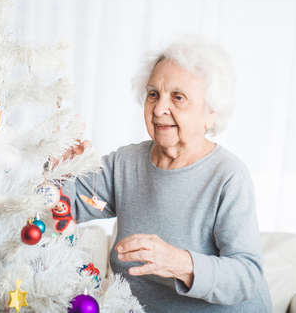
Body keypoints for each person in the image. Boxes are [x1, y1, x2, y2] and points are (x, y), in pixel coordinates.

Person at [61, 37, 272, 312]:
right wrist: (58, 170)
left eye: (178, 97)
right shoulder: (125, 164)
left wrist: (179, 262)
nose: (159, 109)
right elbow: (65, 205)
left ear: (210, 112)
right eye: (153, 94)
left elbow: (246, 276)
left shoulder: (228, 176)